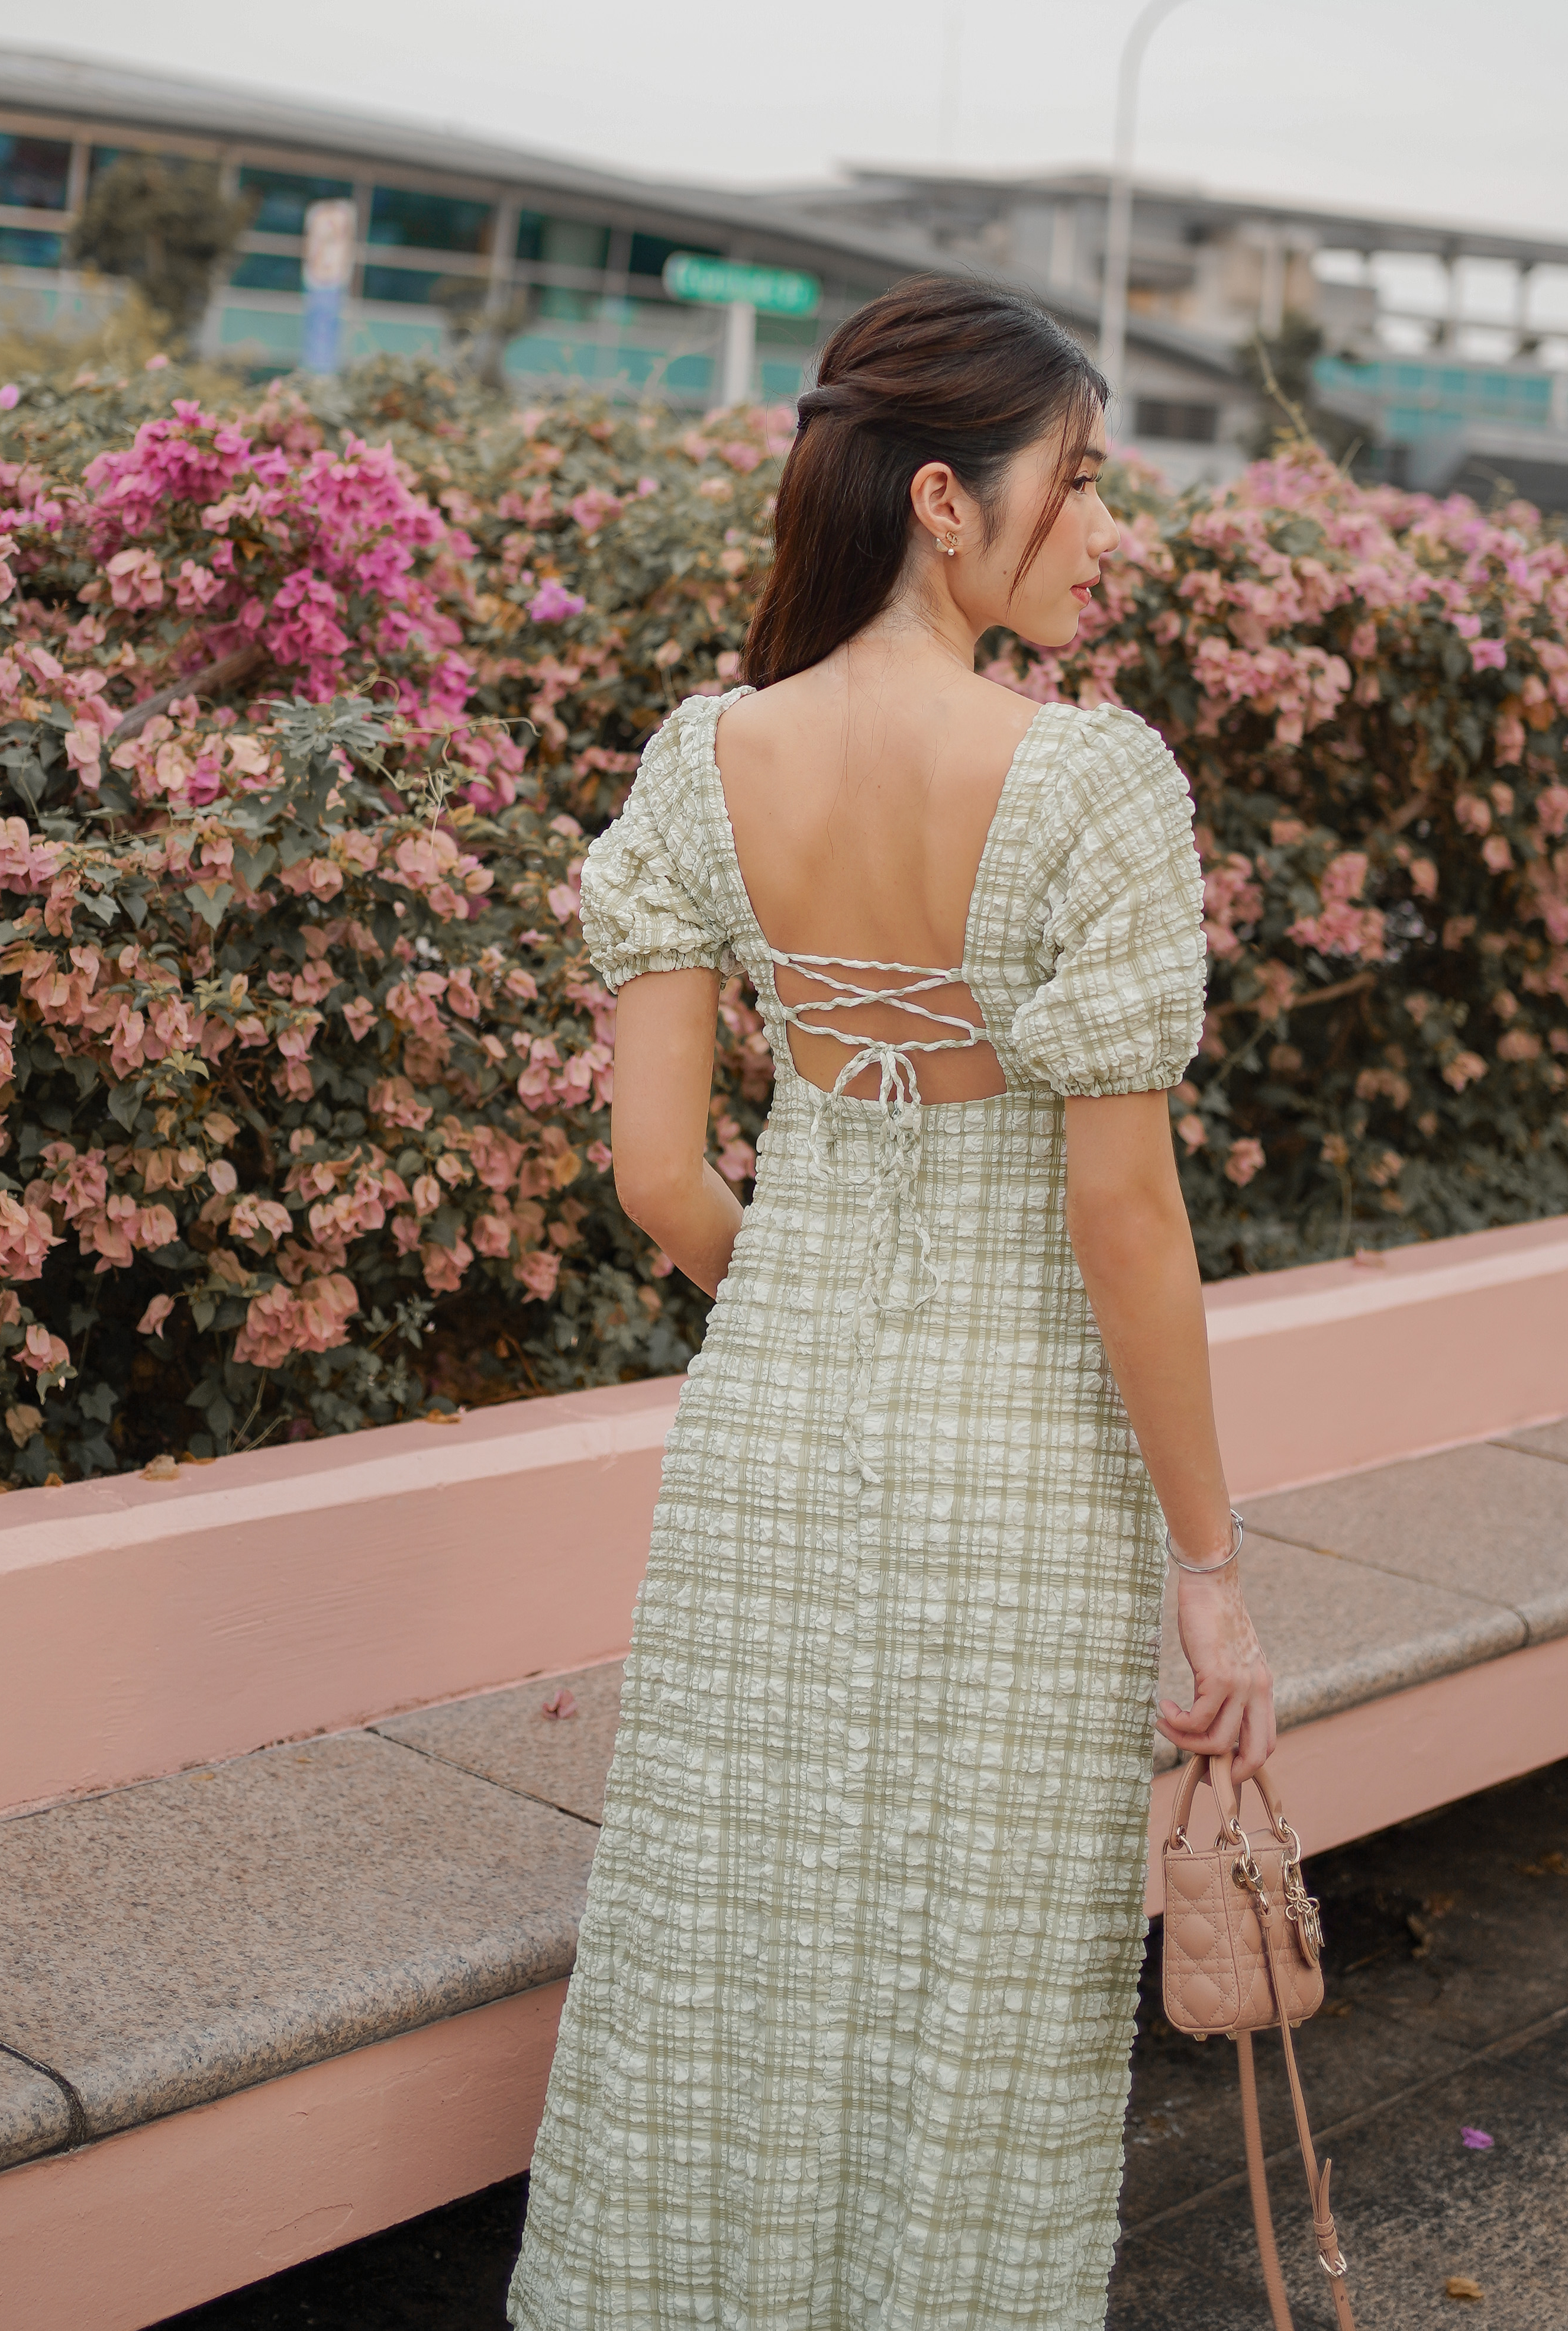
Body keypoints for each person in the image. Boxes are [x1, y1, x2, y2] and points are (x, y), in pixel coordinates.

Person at [508, 275, 1275, 2331]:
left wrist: (823, 1296)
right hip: (1019, 1473)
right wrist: (1215, 1568)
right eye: (1083, 480)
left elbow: (658, 1171)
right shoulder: (1094, 786)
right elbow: (1126, 1219)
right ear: (947, 499)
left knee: (729, 1978)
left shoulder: (702, 761)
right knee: (975, 2021)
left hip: (770, 1452)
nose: (1113, 525)